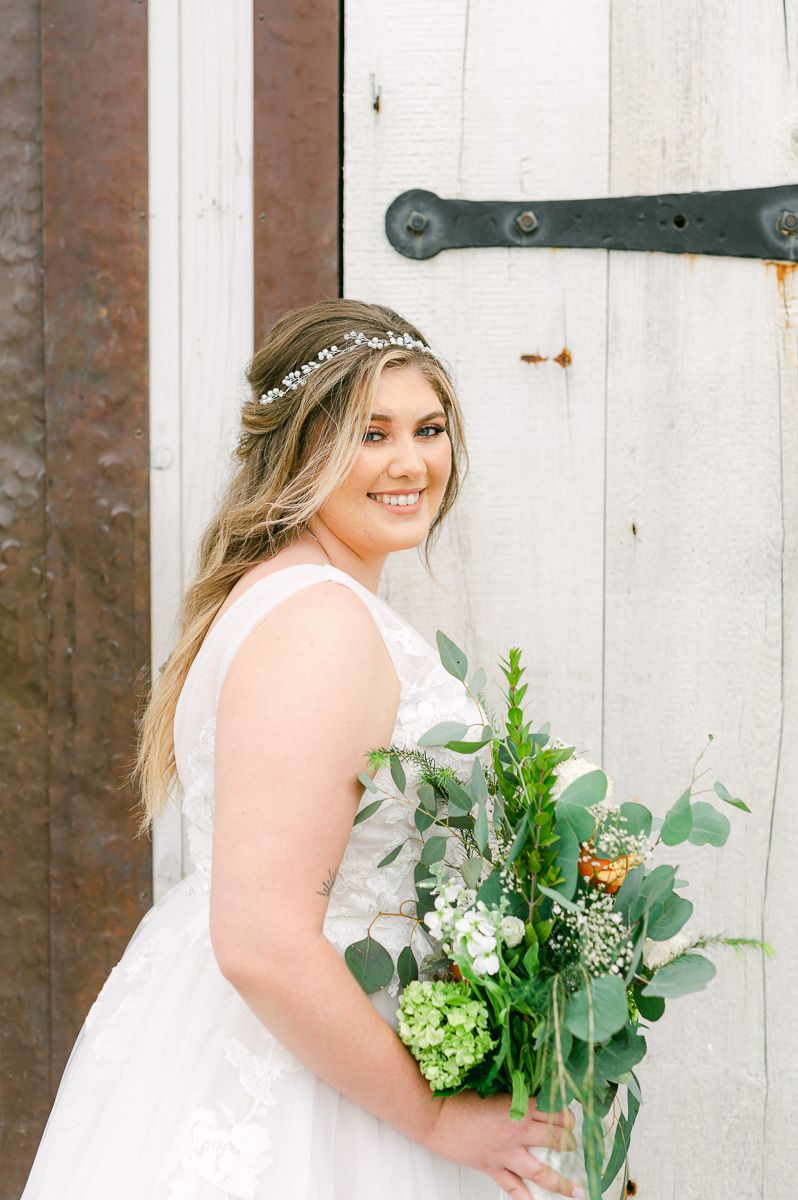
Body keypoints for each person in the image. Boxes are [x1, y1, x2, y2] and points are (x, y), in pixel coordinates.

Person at [19, 298, 586, 1199]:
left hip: (321, 1043)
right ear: (301, 448)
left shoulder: (294, 596)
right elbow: (262, 942)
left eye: (429, 429)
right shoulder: (319, 625)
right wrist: (436, 1121)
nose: (411, 463)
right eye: (371, 434)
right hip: (308, 1089)